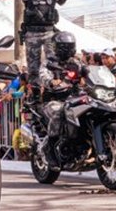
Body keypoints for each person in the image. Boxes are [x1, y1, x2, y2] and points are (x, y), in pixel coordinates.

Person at [0, 0, 94, 90]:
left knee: (53, 64)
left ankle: (56, 87)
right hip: (35, 34)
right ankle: (36, 93)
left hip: (47, 34)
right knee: (34, 68)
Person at [36, 30, 86, 169]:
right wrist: (51, 82)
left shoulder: (77, 62)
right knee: (58, 112)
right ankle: (50, 148)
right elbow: (43, 76)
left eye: (70, 46)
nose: (68, 49)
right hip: (54, 99)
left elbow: (88, 73)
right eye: (65, 46)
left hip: (75, 98)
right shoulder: (49, 62)